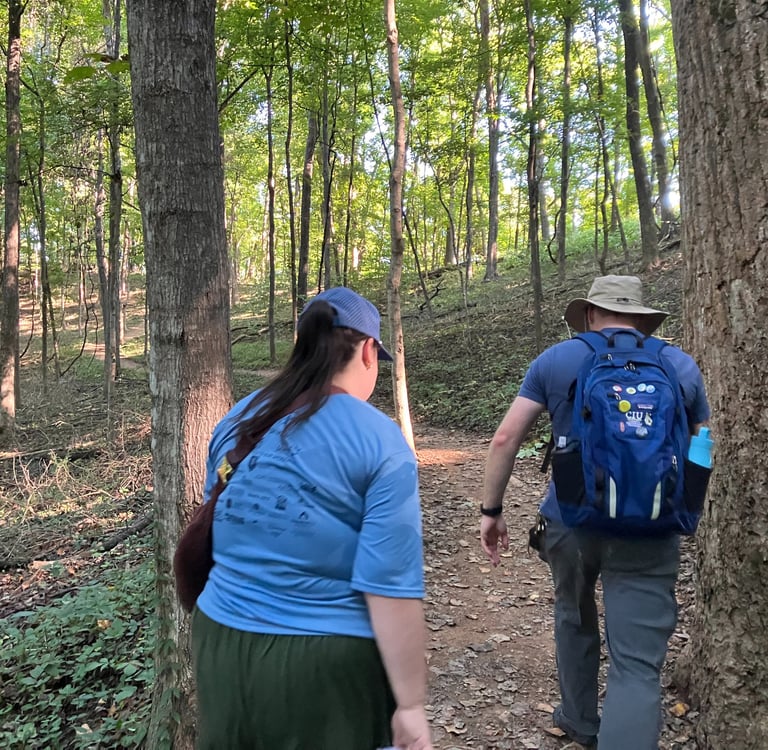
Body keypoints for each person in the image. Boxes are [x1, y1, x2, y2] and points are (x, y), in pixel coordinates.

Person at [193, 286, 433, 750]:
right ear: (368, 352)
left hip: (219, 640)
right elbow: (389, 586)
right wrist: (410, 704)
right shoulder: (379, 439)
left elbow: (217, 521)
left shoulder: (240, 418)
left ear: (302, 343)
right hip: (325, 663)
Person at [480, 275, 710, 750]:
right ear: (644, 319)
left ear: (589, 314)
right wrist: (685, 512)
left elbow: (506, 438)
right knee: (636, 666)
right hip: (653, 528)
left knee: (573, 613)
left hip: (570, 521)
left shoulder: (557, 360)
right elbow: (700, 446)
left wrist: (492, 509)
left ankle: (581, 722)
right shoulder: (679, 366)